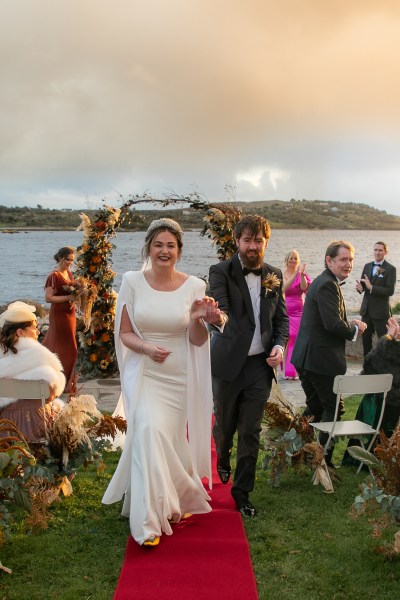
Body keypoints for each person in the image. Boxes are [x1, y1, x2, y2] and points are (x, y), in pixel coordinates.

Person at [102, 218, 223, 547]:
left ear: (179, 251)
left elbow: (197, 340)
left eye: (171, 245)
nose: (164, 250)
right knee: (147, 431)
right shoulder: (132, 282)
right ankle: (148, 523)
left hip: (177, 377)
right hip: (145, 371)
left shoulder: (194, 287)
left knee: (166, 440)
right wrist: (146, 348)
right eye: (159, 245)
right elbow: (124, 332)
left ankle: (173, 500)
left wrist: (199, 319)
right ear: (149, 248)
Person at [209, 214, 289, 517]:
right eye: (248, 240)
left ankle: (242, 494)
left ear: (265, 242)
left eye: (258, 240)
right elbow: (223, 308)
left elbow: (281, 320)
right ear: (237, 241)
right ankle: (222, 455)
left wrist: (279, 346)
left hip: (259, 366)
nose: (253, 246)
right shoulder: (220, 271)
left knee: (251, 430)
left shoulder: (275, 274)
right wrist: (218, 318)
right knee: (225, 424)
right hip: (228, 361)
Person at [291, 240, 367, 465]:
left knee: (315, 407)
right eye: (343, 259)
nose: (348, 264)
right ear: (329, 261)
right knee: (334, 409)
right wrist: (355, 328)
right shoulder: (327, 285)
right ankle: (320, 458)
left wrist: (347, 320)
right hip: (319, 360)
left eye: (351, 260)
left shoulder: (327, 281)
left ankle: (294, 449)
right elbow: (332, 325)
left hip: (309, 358)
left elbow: (328, 319)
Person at [0, 301, 65, 442]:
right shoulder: (40, 356)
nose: (38, 332)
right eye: (34, 328)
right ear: (20, 332)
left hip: (5, 426)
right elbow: (51, 394)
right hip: (36, 423)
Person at [42, 246, 78, 391]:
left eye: (72, 260)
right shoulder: (54, 275)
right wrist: (67, 297)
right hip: (59, 315)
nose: (70, 263)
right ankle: (61, 381)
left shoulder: (68, 273)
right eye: (68, 260)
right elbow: (48, 298)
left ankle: (64, 381)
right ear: (61, 258)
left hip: (70, 314)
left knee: (69, 347)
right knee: (67, 348)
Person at [355, 241, 396, 357]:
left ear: (385, 252)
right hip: (366, 311)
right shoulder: (367, 266)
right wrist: (360, 288)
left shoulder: (390, 269)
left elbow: (390, 291)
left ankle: (385, 370)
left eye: (380, 250)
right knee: (366, 342)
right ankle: (367, 369)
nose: (377, 252)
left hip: (381, 313)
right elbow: (364, 286)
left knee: (384, 343)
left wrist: (371, 287)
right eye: (375, 250)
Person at [282, 249, 311, 379]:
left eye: (295, 258)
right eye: (291, 258)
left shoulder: (301, 274)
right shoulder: (282, 274)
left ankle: (294, 370)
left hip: (299, 311)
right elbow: (284, 288)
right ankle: (287, 370)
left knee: (296, 338)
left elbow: (304, 288)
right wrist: (295, 275)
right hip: (286, 311)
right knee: (288, 339)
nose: (293, 260)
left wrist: (302, 275)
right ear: (287, 260)